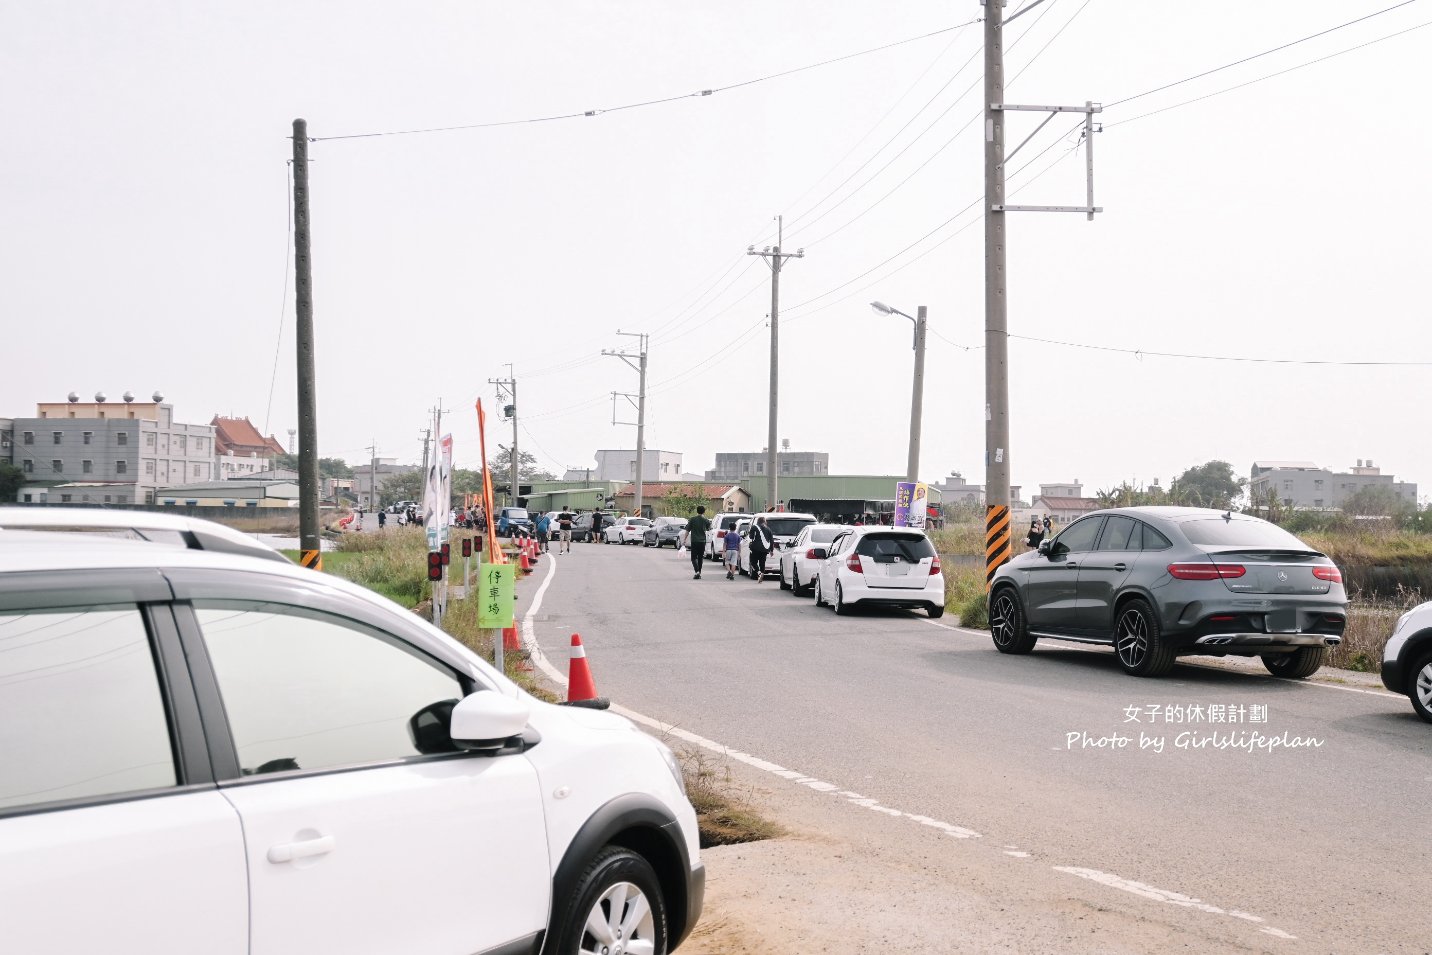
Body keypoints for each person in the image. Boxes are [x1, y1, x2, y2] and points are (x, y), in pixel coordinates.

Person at [685, 505, 711, 579]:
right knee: (700, 557)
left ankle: (697, 572)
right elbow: (709, 529)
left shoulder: (692, 519)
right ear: (704, 511)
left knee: (693, 558)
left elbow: (687, 530)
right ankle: (699, 572)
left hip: (694, 541)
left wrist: (684, 539)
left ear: (697, 511)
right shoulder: (706, 520)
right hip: (702, 541)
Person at [748, 515, 774, 581]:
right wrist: (771, 550)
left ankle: (759, 573)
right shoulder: (768, 529)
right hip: (765, 549)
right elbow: (771, 540)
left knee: (753, 562)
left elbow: (751, 537)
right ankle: (761, 574)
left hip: (755, 548)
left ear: (758, 521)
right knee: (762, 563)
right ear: (764, 522)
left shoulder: (754, 527)